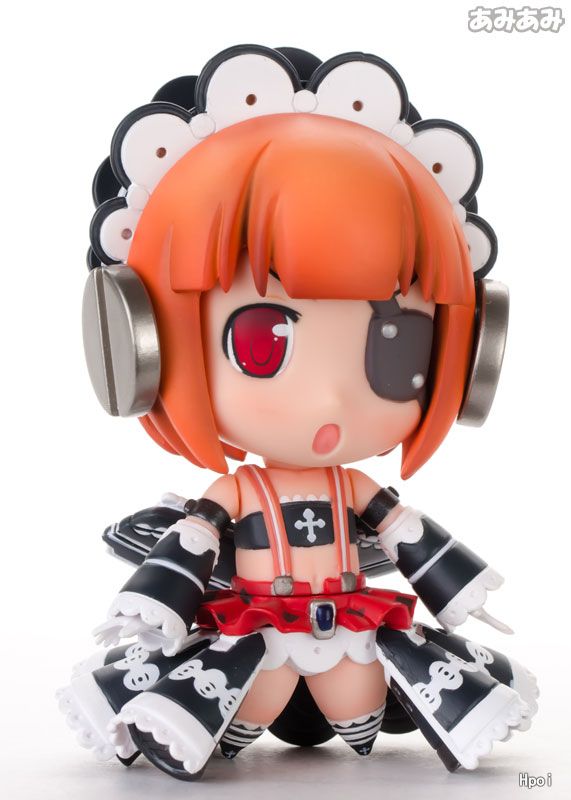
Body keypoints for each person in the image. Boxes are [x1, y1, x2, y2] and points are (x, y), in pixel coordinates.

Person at [59, 45, 538, 781]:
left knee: (361, 690)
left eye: (397, 343)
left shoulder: (357, 489)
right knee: (246, 695)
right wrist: (154, 607)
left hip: (347, 618)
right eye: (263, 343)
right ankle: (197, 728)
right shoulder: (237, 493)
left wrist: (460, 592)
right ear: (138, 349)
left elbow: (411, 541)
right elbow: (189, 552)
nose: (328, 399)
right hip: (260, 624)